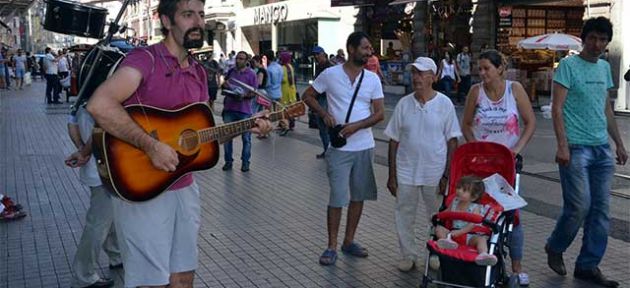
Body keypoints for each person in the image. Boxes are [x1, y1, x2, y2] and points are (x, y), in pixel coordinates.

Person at [86, 0, 272, 286]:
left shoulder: (198, 72)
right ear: (166, 21)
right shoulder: (144, 60)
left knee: (183, 277)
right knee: (151, 282)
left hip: (184, 188)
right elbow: (100, 104)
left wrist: (249, 124)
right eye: (188, 15)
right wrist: (151, 146)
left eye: (201, 15)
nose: (198, 22)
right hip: (142, 188)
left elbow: (206, 134)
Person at [546, 17, 627, 288]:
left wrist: (619, 142)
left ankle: (588, 265)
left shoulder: (604, 67)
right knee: (579, 207)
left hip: (601, 150)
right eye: (592, 38)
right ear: (584, 38)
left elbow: (606, 108)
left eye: (603, 40)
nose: (597, 44)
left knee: (601, 211)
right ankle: (555, 246)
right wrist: (562, 145)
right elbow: (557, 109)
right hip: (576, 148)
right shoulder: (568, 66)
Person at [302, 31, 385, 266]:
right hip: (339, 149)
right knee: (338, 197)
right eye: (365, 48)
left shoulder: (372, 79)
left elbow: (379, 114)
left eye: (370, 48)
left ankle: (349, 241)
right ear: (351, 48)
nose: (369, 52)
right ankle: (331, 246)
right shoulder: (330, 74)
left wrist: (356, 126)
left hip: (364, 146)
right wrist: (325, 114)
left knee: (359, 196)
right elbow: (307, 95)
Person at [461, 48, 535, 285]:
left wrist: (517, 150)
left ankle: (517, 267)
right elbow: (467, 124)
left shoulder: (515, 90)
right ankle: (480, 253)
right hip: (481, 163)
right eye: (479, 69)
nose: (482, 73)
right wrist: (475, 149)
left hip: (507, 163)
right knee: (480, 209)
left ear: (500, 69)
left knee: (512, 215)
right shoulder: (476, 92)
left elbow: (530, 122)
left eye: (487, 69)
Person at [384, 56, 461, 272]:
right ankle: (408, 255)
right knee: (404, 213)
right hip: (406, 169)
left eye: (422, 73)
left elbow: (452, 140)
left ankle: (435, 252)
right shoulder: (404, 104)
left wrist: (447, 175)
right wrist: (392, 175)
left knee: (436, 215)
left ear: (433, 77)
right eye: (414, 72)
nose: (416, 77)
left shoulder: (444, 104)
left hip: (434, 170)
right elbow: (393, 140)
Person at [65, 106, 122, 288]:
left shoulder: (81, 102)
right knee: (98, 224)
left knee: (108, 217)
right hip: (105, 173)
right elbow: (103, 127)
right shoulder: (102, 101)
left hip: (96, 170)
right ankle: (84, 276)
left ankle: (116, 254)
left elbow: (71, 123)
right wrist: (85, 152)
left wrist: (82, 149)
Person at [435, 176, 498, 266]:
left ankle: (483, 254)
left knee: (481, 239)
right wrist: (437, 216)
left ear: (473, 197)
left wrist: (460, 232)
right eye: (458, 187)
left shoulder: (475, 207)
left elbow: (473, 224)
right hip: (452, 234)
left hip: (470, 235)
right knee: (439, 228)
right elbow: (447, 212)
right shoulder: (455, 201)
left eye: (464, 190)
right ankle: (445, 241)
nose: (459, 191)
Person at [221, 51, 258, 172]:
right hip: (229, 108)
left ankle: (245, 162)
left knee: (246, 138)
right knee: (227, 137)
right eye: (237, 58)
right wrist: (225, 86)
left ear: (246, 61)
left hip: (244, 110)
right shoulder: (231, 71)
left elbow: (254, 92)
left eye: (241, 59)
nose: (238, 61)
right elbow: (225, 83)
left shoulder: (251, 74)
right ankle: (228, 161)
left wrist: (244, 96)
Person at [311, 46, 333, 159]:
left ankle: (330, 151)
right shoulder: (319, 67)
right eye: (314, 55)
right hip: (319, 98)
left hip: (326, 99)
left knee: (326, 126)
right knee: (322, 128)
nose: (315, 57)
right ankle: (327, 150)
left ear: (323, 54)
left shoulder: (329, 67)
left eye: (317, 54)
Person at [279, 51, 297, 135]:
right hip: (292, 90)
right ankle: (291, 124)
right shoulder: (290, 66)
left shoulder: (282, 68)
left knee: (283, 109)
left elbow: (283, 80)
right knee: (291, 108)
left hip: (284, 91)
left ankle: (285, 125)